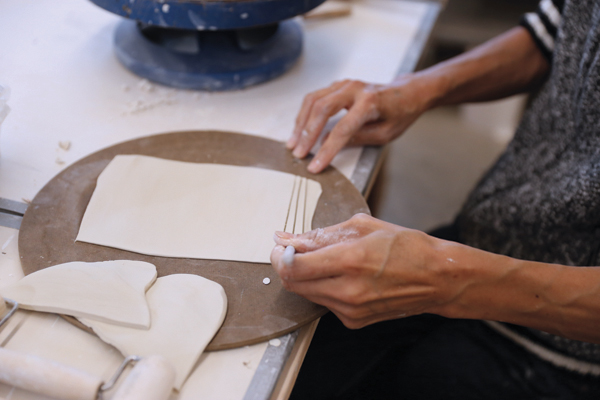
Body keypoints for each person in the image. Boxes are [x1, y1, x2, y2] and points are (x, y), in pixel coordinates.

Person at [270, 0, 600, 398]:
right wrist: (415, 88)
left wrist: (447, 279)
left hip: (567, 356)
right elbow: (558, 31)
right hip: (490, 235)